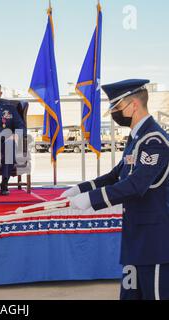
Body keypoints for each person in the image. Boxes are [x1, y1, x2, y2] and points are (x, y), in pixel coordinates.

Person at [61, 79, 169, 300]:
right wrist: (79, 189)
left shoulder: (154, 140)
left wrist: (91, 199)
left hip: (155, 242)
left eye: (117, 108)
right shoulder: (136, 137)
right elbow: (115, 175)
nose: (114, 113)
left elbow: (135, 185)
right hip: (135, 237)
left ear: (134, 105)